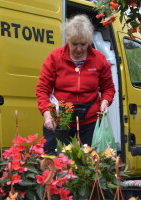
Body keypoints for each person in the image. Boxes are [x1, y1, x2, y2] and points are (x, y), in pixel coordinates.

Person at [36, 14, 115, 154]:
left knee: (87, 168)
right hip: (59, 123)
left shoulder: (99, 59)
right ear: (67, 40)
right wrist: (47, 116)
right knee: (57, 165)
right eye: (74, 44)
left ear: (89, 41)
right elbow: (42, 90)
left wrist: (105, 102)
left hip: (89, 125)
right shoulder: (54, 58)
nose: (79, 49)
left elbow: (108, 88)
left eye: (83, 44)